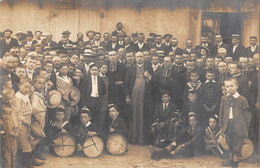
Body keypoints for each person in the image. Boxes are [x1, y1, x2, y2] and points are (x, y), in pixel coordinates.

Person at [219, 78, 251, 168]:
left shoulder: (242, 99)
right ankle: (231, 163)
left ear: (237, 86)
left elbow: (247, 116)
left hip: (238, 126)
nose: (229, 88)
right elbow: (221, 113)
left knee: (237, 148)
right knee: (230, 146)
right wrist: (221, 126)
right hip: (227, 125)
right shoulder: (224, 98)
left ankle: (235, 166)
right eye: (227, 86)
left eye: (232, 86)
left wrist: (245, 128)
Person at [124, 51, 155, 144]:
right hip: (134, 95)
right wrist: (127, 96)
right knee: (134, 116)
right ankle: (134, 139)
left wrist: (149, 76)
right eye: (137, 57)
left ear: (144, 58)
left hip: (145, 96)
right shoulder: (131, 68)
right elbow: (126, 83)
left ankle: (143, 139)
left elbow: (155, 82)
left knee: (144, 116)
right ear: (135, 58)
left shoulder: (149, 67)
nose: (139, 58)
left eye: (141, 56)